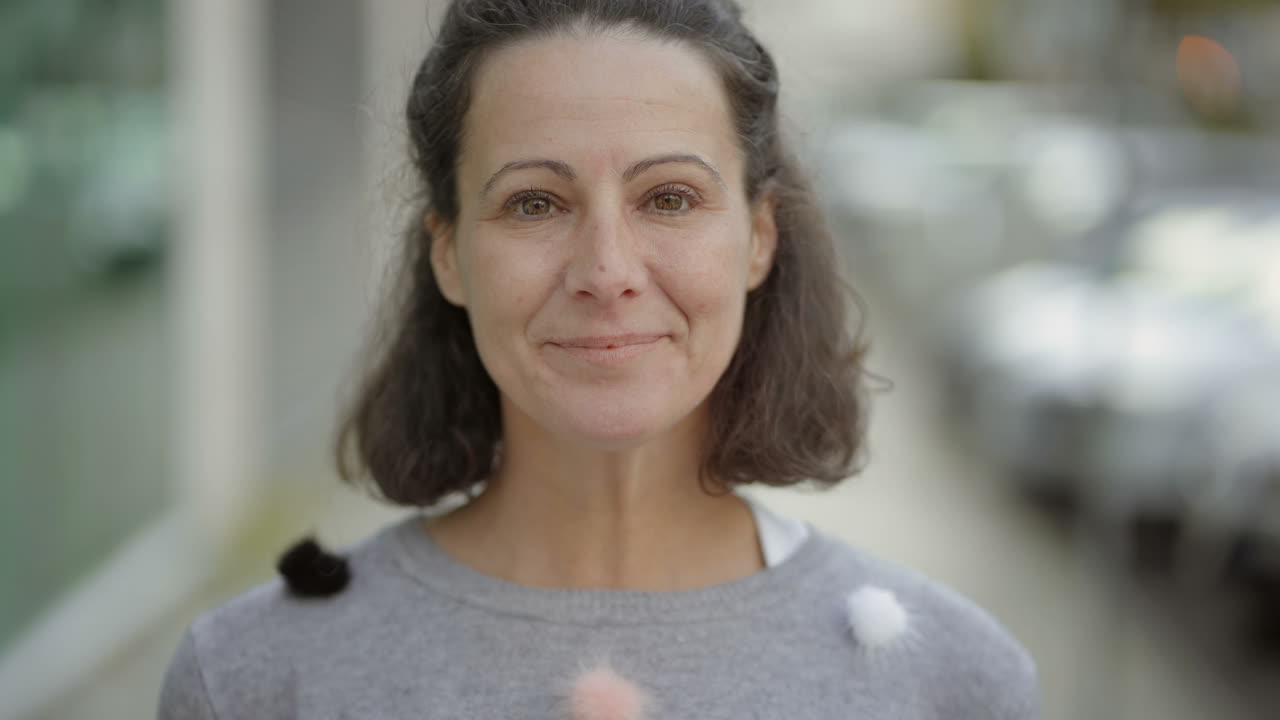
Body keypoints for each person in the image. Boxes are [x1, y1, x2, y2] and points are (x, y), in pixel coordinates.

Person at [158, 1, 1039, 717]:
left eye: (670, 198)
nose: (607, 271)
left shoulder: (952, 682)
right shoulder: (252, 679)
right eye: (535, 203)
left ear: (759, 237)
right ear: (448, 254)